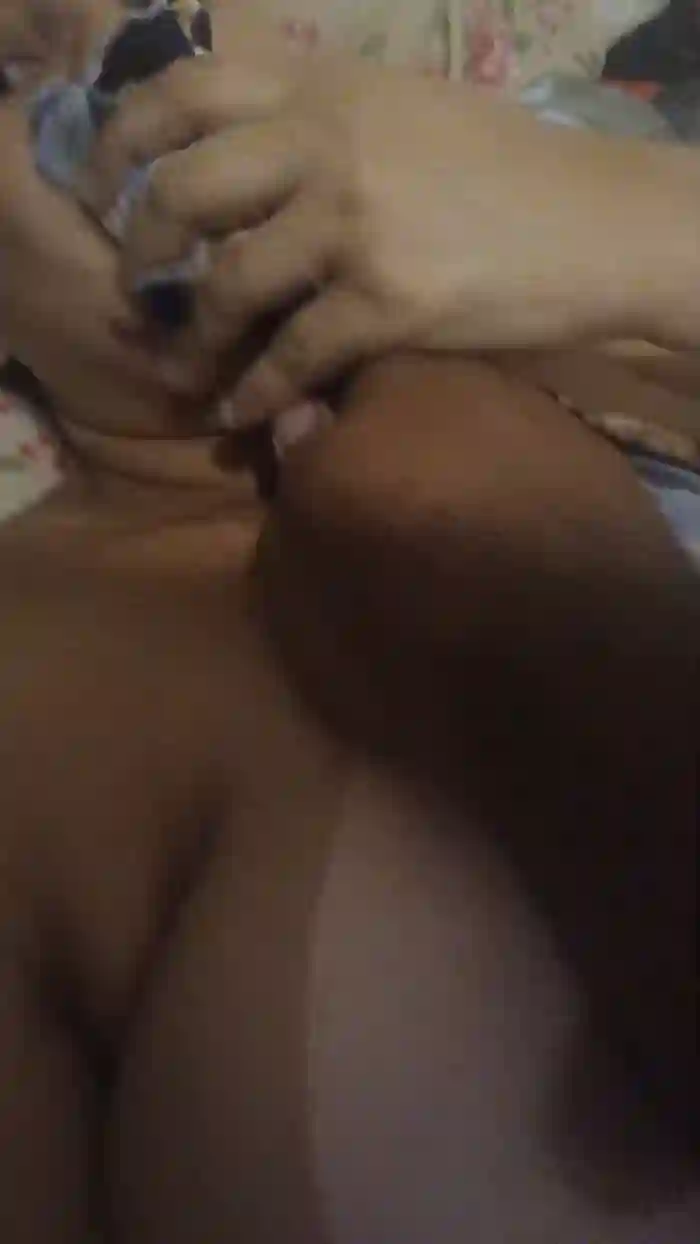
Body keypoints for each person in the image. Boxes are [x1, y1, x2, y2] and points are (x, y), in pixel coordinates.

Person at [0, 7, 697, 1243]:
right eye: (5, 72)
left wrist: (637, 225)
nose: (119, 65)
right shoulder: (41, 691)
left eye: (177, 20)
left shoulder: (615, 317)